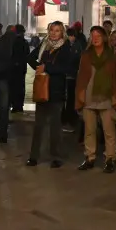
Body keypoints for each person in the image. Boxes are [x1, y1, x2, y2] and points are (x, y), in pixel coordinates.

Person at [75, 26, 116, 173]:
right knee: (89, 130)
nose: (95, 38)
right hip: (89, 97)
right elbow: (81, 75)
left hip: (107, 97)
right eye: (92, 36)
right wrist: (80, 93)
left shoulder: (112, 55)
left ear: (104, 38)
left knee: (109, 130)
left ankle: (110, 158)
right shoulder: (86, 55)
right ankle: (89, 157)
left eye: (98, 35)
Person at [27, 21, 77, 168]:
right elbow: (30, 57)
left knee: (55, 126)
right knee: (38, 125)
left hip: (56, 90)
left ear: (62, 33)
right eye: (52, 30)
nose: (54, 33)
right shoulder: (44, 44)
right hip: (42, 88)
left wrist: (46, 67)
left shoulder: (66, 47)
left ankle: (56, 157)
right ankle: (33, 156)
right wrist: (39, 67)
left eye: (57, 31)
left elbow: (65, 68)